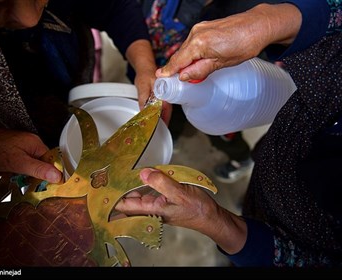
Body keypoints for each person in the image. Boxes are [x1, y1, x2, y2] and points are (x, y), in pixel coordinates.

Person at [116, 0, 342, 267]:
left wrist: (216, 222)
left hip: (289, 222)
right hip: (277, 155)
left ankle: (240, 159)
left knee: (230, 137)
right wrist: (270, 22)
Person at [0, 0, 158, 187]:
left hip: (71, 83)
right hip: (0, 134)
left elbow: (114, 8)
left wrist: (145, 67)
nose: (29, 19)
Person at [138, 0, 284, 184]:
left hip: (221, 91)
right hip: (168, 73)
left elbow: (260, 53)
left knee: (223, 135)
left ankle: (241, 157)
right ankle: (173, 134)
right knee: (172, 113)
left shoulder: (238, 11)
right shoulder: (155, 7)